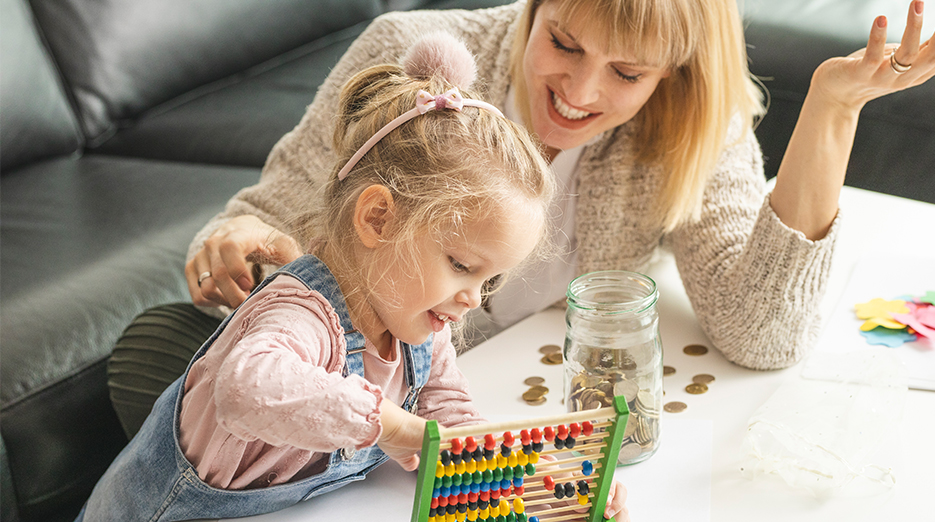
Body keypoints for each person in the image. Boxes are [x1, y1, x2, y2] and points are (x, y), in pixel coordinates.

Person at [109, 0, 935, 437]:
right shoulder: (406, 55)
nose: (581, 92)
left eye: (627, 75)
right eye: (562, 42)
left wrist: (832, 112)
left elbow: (761, 331)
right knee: (168, 363)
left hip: (482, 421)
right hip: (354, 407)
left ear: (670, 77)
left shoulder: (692, 126)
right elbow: (270, 220)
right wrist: (241, 244)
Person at [80, 34, 631, 521]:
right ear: (377, 218)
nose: (472, 299)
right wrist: (392, 426)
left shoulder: (423, 330)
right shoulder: (300, 316)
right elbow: (246, 388)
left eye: (489, 283)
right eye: (462, 266)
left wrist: (553, 484)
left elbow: (449, 424)